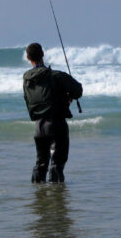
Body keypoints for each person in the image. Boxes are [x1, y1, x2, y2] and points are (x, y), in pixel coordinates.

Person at [23, 42, 83, 183]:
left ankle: (38, 198)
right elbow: (78, 90)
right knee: (56, 165)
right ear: (43, 54)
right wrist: (67, 98)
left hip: (39, 127)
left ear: (28, 58)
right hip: (56, 125)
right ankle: (57, 201)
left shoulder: (26, 80)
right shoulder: (56, 76)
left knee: (40, 164)